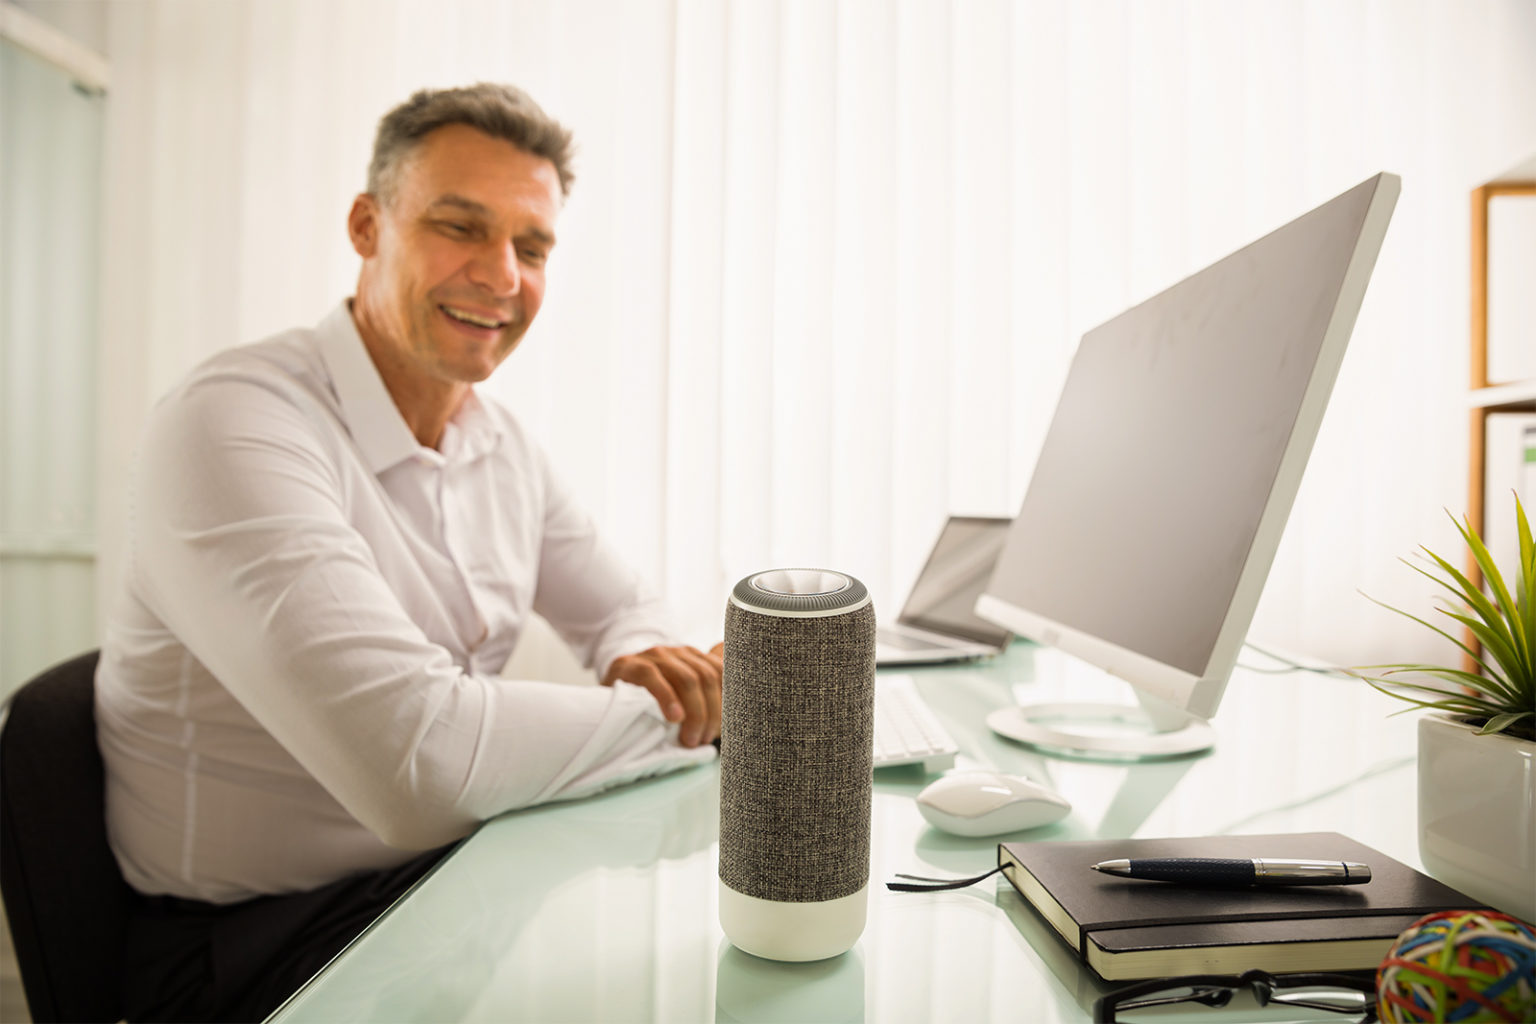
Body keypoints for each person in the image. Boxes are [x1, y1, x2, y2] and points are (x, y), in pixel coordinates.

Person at [95, 83, 723, 1022]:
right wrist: (702, 717)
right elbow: (421, 771)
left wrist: (645, 657)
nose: (502, 276)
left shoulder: (498, 442)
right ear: (365, 226)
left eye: (532, 246)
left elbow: (621, 608)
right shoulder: (233, 423)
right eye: (460, 227)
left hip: (440, 883)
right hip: (253, 953)